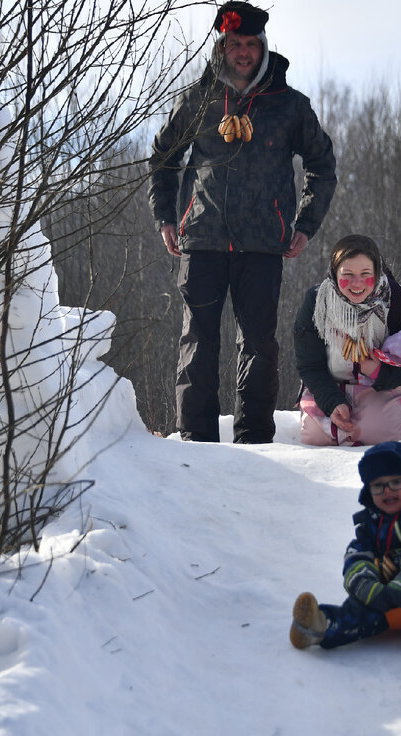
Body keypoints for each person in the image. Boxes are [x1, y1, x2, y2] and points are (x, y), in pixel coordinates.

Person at [148, 1, 337, 444]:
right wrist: (166, 216)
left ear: (263, 47)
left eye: (252, 44)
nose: (244, 51)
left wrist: (305, 224)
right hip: (201, 238)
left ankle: (254, 439)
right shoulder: (196, 100)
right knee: (198, 342)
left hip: (263, 244)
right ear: (222, 46)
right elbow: (163, 159)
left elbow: (322, 166)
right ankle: (195, 439)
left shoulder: (289, 105)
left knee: (259, 344)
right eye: (236, 43)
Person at [289, 441, 401, 670]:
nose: (388, 491)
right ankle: (317, 625)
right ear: (368, 490)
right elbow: (357, 552)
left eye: (396, 482)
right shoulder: (370, 523)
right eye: (378, 486)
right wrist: (368, 584)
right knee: (357, 612)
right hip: (384, 595)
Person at [294, 235, 401, 446]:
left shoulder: (397, 302)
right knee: (315, 436)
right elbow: (309, 365)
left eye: (365, 274)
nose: (357, 283)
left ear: (377, 272)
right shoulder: (317, 303)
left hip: (381, 387)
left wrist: (378, 372)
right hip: (329, 383)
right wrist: (332, 402)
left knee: (376, 433)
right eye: (348, 275)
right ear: (335, 274)